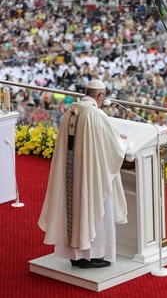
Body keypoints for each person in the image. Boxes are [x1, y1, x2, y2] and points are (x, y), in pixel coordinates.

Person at [38, 79, 128, 269]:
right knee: (94, 209)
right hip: (90, 175)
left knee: (73, 209)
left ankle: (74, 254)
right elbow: (113, 146)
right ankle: (91, 255)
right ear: (100, 96)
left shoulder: (71, 112)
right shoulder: (95, 114)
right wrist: (122, 141)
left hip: (72, 174)